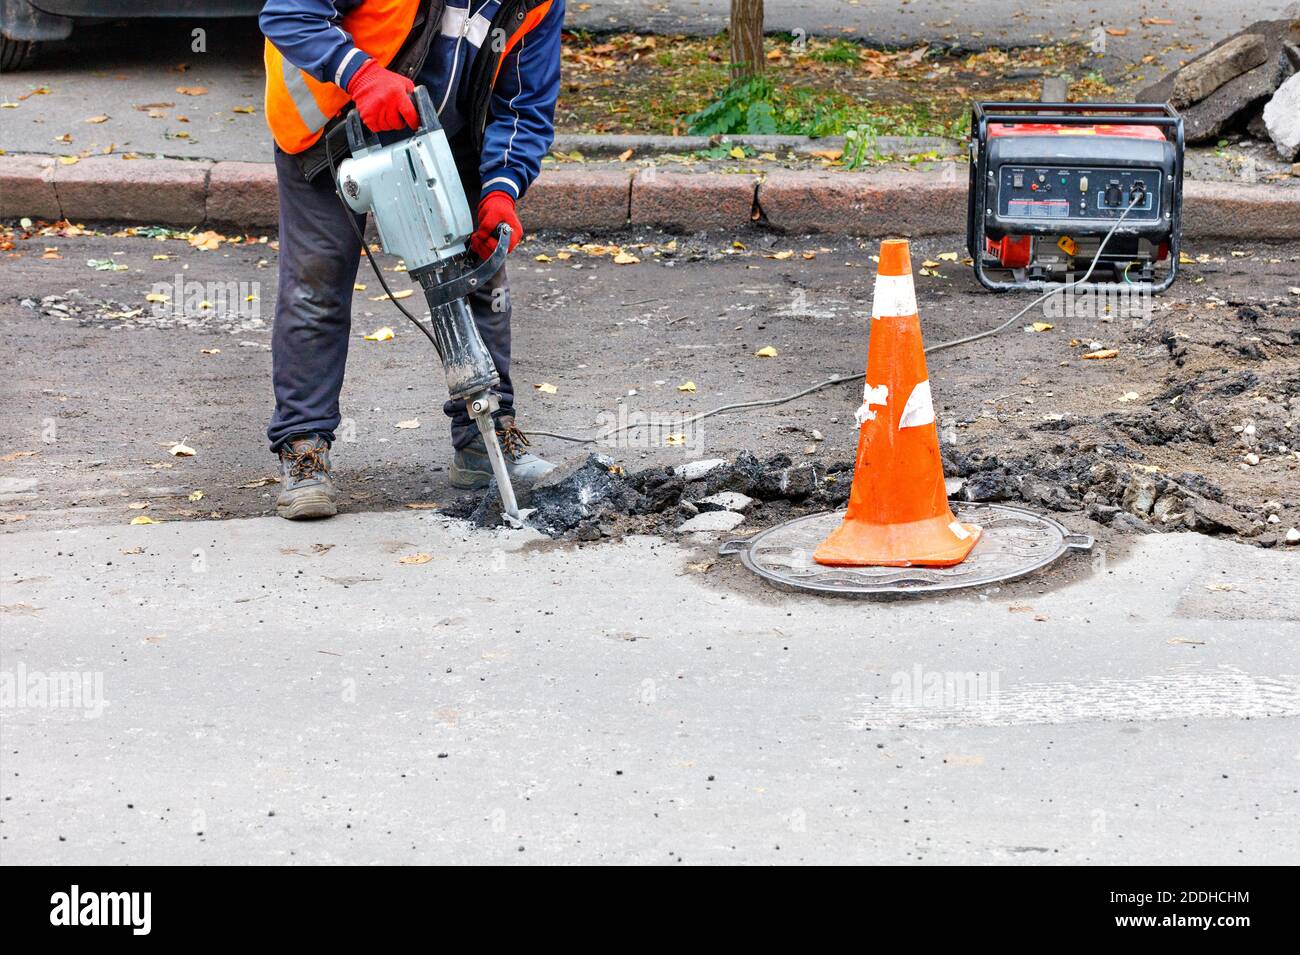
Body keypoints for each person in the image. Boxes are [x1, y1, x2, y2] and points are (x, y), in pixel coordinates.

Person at [259, 0, 562, 519]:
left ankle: (483, 437)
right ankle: (303, 448)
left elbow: (524, 103)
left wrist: (501, 188)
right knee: (318, 283)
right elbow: (288, 15)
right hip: (327, 121)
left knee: (481, 276)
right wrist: (361, 76)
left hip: (441, 128)